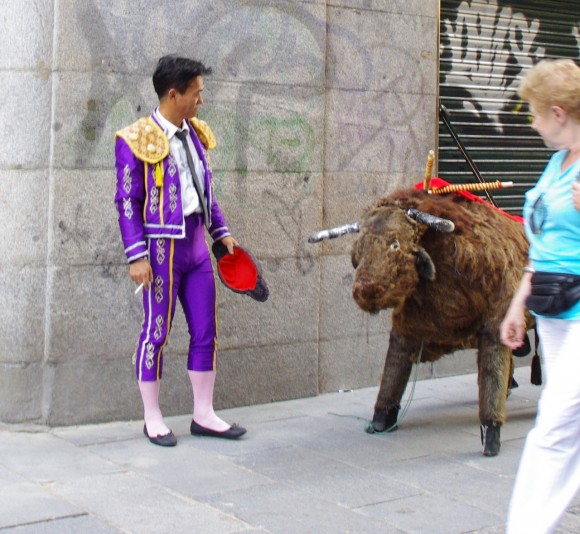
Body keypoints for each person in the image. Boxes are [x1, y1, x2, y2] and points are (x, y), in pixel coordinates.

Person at [114, 55, 246, 446]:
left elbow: (206, 191)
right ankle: (152, 416)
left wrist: (221, 233)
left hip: (196, 246)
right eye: (196, 93)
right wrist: (136, 254)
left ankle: (203, 414)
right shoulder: (134, 138)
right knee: (156, 331)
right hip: (159, 251)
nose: (200, 100)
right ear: (174, 94)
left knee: (206, 330)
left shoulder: (196, 134)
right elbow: (126, 201)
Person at [500, 59, 580, 533]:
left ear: (558, 112)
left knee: (555, 424)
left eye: (533, 113)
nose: (531, 123)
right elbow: (543, 245)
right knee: (566, 417)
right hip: (553, 308)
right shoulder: (556, 164)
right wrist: (517, 303)